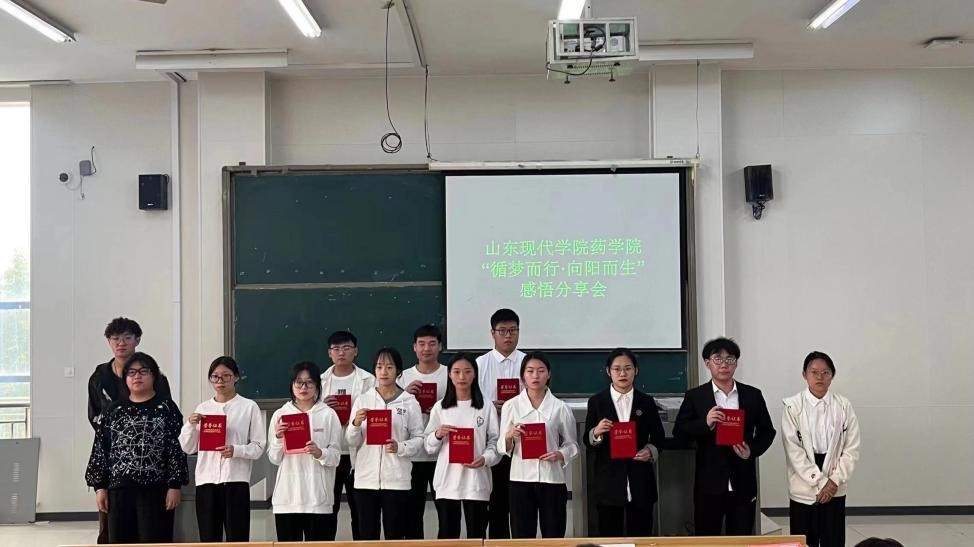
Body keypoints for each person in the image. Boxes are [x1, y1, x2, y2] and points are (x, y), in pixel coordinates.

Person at [674, 337, 776, 536]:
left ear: (736, 363)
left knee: (741, 535)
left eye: (730, 359)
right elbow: (680, 432)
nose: (724, 364)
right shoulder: (695, 396)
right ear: (707, 363)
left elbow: (767, 431)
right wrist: (705, 423)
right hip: (709, 481)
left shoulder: (752, 395)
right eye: (717, 359)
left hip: (743, 479)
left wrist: (752, 451)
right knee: (707, 536)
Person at [85, 352, 188, 544]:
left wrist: (175, 485)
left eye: (143, 371)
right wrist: (100, 487)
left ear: (154, 376)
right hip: (119, 490)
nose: (137, 376)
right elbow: (101, 449)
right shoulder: (114, 411)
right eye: (131, 373)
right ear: (125, 378)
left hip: (156, 490)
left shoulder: (167, 408)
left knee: (155, 539)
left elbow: (176, 448)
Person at [179, 356, 266, 542]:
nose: (220, 381)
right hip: (206, 481)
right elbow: (188, 447)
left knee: (238, 537)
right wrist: (190, 424)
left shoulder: (249, 407)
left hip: (236, 480)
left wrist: (236, 450)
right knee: (209, 538)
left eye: (226, 376)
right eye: (215, 376)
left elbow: (258, 446)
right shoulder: (203, 408)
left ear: (236, 377)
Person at [583, 348, 666, 536]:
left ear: (636, 370)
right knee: (610, 537)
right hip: (609, 481)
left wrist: (649, 451)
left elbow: (659, 438)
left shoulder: (646, 402)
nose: (622, 374)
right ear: (608, 371)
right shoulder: (597, 401)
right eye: (617, 369)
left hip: (640, 478)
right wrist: (596, 432)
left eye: (628, 368)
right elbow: (587, 440)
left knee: (641, 535)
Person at [782, 351, 861, 547]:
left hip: (835, 479)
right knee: (804, 540)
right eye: (814, 372)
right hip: (803, 481)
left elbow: (851, 449)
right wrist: (820, 481)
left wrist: (833, 482)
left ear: (832, 375)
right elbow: (793, 451)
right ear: (804, 374)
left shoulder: (843, 405)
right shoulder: (792, 406)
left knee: (833, 539)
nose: (820, 377)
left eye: (825, 372)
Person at [346, 347, 425, 540]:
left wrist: (401, 447)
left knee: (395, 535)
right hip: (366, 479)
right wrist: (355, 424)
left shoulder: (409, 402)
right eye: (379, 367)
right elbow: (351, 440)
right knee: (367, 535)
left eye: (389, 367)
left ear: (398, 371)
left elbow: (419, 439)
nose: (384, 372)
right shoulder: (363, 400)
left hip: (397, 479)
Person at [499, 351, 578, 538]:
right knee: (522, 536)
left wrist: (560, 454)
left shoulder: (560, 407)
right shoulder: (511, 406)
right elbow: (501, 447)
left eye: (541, 371)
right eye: (530, 371)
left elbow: (572, 445)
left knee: (554, 535)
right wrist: (509, 436)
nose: (535, 376)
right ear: (523, 376)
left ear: (548, 374)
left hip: (552, 479)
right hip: (520, 479)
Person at [425, 353, 501, 539]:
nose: (462, 377)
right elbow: (428, 446)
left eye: (467, 371)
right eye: (457, 372)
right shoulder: (440, 407)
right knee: (447, 534)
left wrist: (485, 459)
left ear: (475, 374)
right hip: (447, 481)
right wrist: (437, 435)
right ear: (449, 374)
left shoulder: (486, 407)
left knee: (477, 534)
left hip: (476, 480)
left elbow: (495, 443)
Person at [267, 361, 342, 541]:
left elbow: (336, 457)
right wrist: (278, 438)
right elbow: (274, 458)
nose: (303, 387)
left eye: (309, 382)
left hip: (318, 499)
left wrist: (320, 453)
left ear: (317, 385)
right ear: (292, 385)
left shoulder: (328, 414)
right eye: (299, 382)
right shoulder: (280, 415)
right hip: (287, 499)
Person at [319, 330, 376, 540]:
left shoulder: (369, 380)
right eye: (336, 348)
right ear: (329, 353)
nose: (341, 352)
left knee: (360, 510)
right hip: (329, 453)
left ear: (356, 351)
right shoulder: (319, 381)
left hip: (359, 452)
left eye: (346, 348)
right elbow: (309, 414)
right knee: (328, 508)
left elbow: (379, 412)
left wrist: (357, 415)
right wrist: (322, 407)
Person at [476, 308, 525, 538]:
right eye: (503, 331)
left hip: (521, 442)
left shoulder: (529, 363)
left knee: (519, 503)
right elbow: (472, 401)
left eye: (513, 330)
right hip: (491, 440)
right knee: (495, 503)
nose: (508, 336)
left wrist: (514, 409)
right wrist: (489, 406)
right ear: (492, 333)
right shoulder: (480, 364)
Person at [399, 324, 449, 539]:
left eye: (432, 343)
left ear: (440, 346)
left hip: (443, 454)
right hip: (413, 455)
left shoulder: (451, 374)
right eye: (421, 344)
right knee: (412, 514)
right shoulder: (402, 377)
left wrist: (440, 407)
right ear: (414, 347)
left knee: (446, 513)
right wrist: (405, 396)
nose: (426, 348)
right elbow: (392, 414)